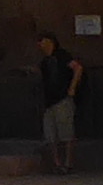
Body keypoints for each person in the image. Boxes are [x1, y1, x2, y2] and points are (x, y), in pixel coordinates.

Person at [33, 29, 81, 173]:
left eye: (42, 41)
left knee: (66, 132)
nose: (40, 45)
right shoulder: (45, 61)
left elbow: (78, 68)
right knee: (51, 135)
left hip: (62, 99)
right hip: (49, 101)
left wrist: (72, 88)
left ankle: (68, 164)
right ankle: (57, 164)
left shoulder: (62, 56)